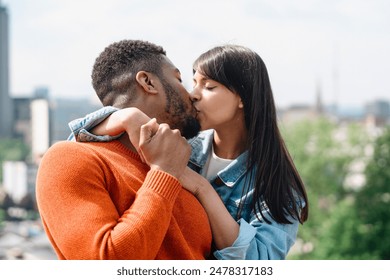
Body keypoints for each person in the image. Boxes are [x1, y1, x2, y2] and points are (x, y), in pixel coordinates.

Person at [68, 44, 309, 260]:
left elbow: (258, 263)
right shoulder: (181, 144)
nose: (193, 94)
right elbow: (76, 143)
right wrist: (125, 117)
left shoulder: (278, 185)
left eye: (209, 86)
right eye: (194, 83)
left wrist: (202, 188)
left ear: (242, 98)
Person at [35, 39, 213, 260]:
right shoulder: (68, 159)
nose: (191, 94)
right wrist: (164, 173)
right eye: (179, 79)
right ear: (148, 82)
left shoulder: (188, 168)